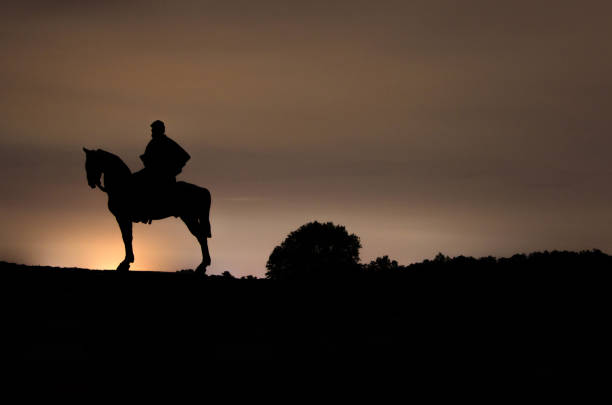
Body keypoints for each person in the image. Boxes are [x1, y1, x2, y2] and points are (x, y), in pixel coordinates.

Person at [133, 120, 190, 223]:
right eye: (152, 129)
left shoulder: (166, 142)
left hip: (162, 176)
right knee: (134, 178)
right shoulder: (153, 142)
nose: (152, 132)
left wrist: (170, 169)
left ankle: (144, 212)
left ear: (159, 130)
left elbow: (184, 156)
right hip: (152, 172)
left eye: (153, 129)